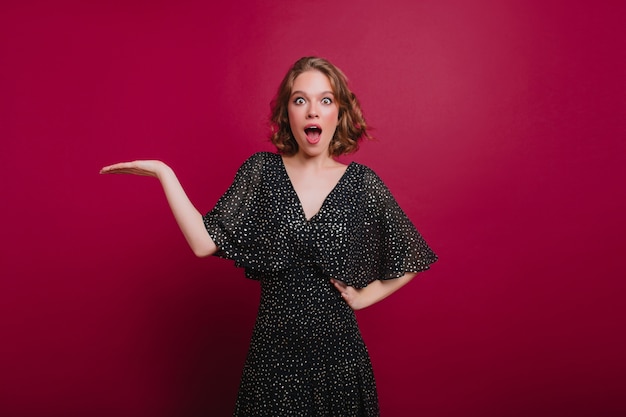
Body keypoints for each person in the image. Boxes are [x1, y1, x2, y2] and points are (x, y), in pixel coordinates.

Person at [100, 56, 437, 416]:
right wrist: (164, 173)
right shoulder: (262, 172)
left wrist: (363, 297)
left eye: (325, 100)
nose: (312, 111)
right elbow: (203, 242)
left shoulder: (361, 184)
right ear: (287, 114)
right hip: (273, 360)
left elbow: (410, 253)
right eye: (300, 100)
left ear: (339, 113)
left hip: (338, 361)